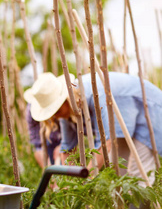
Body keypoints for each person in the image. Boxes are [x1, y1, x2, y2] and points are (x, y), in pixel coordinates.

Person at [25, 71, 162, 186]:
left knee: (139, 177)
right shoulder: (66, 112)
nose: (55, 116)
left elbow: (106, 143)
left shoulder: (97, 95)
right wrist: (67, 182)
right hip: (126, 121)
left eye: (57, 110)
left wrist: (85, 179)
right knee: (122, 176)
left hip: (147, 110)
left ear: (65, 100)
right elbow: (67, 150)